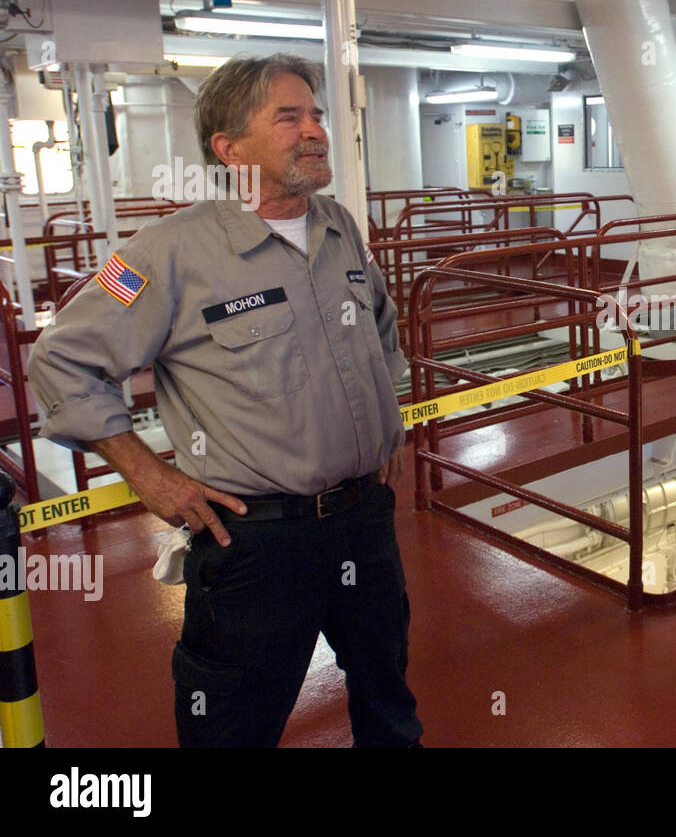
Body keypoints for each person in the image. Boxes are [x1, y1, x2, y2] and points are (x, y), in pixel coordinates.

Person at [28, 54, 423, 748]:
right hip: (255, 543)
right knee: (233, 728)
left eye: (317, 115)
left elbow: (382, 326)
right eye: (289, 117)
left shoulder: (340, 229)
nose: (315, 131)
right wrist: (148, 473)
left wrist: (389, 424)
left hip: (364, 521)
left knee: (388, 702)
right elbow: (59, 359)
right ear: (229, 147)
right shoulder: (165, 254)